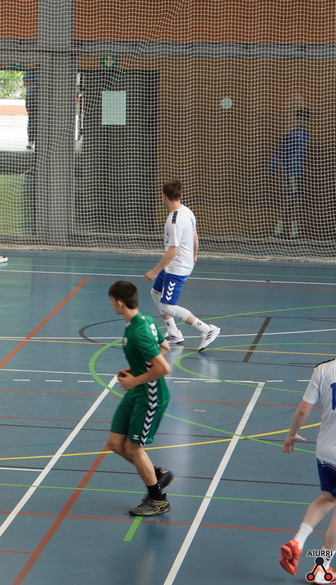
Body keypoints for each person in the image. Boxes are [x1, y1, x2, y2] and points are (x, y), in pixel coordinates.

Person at [104, 279, 174, 517]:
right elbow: (165, 347)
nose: (111, 305)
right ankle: (157, 473)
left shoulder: (139, 331)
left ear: (119, 302)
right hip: (137, 392)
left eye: (112, 301)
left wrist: (135, 380)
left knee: (133, 449)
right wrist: (134, 369)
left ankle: (158, 500)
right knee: (115, 444)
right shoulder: (143, 319)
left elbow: (163, 367)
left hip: (150, 396)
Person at [144, 179, 220, 352]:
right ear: (180, 195)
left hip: (177, 268)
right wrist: (194, 255)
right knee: (155, 292)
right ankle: (173, 332)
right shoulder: (188, 212)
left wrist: (154, 271)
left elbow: (172, 251)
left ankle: (206, 330)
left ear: (164, 197)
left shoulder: (174, 221)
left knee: (167, 306)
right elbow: (195, 237)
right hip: (175, 264)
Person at [279, 356, 336, 579]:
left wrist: (291, 434)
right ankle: (322, 568)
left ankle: (297, 542)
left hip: (325, 450)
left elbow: (303, 410)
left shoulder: (323, 369)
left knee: (328, 498)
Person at [270, 106, 310, 239]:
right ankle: (286, 230)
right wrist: (272, 168)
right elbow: (281, 152)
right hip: (291, 173)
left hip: (300, 174)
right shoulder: (291, 136)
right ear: (297, 120)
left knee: (294, 201)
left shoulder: (308, 136)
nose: (302, 121)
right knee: (292, 201)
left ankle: (286, 230)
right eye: (299, 118)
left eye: (304, 119)